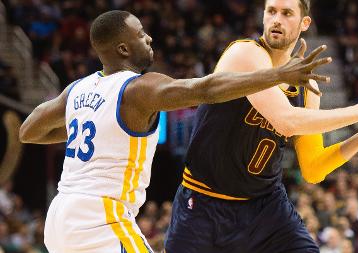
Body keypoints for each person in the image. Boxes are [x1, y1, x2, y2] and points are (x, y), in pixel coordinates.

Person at [18, 10, 331, 253]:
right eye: (141, 35)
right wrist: (277, 74)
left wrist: (93, 126)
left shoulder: (77, 89)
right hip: (100, 217)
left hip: (58, 216)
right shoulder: (140, 87)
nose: (150, 38)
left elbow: (28, 130)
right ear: (124, 48)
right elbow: (204, 88)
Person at [164, 0, 358, 252]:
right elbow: (286, 120)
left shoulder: (307, 87)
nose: (276, 19)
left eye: (287, 13)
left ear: (305, 23)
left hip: (265, 207)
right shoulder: (245, 54)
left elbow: (313, 169)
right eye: (271, 11)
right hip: (204, 203)